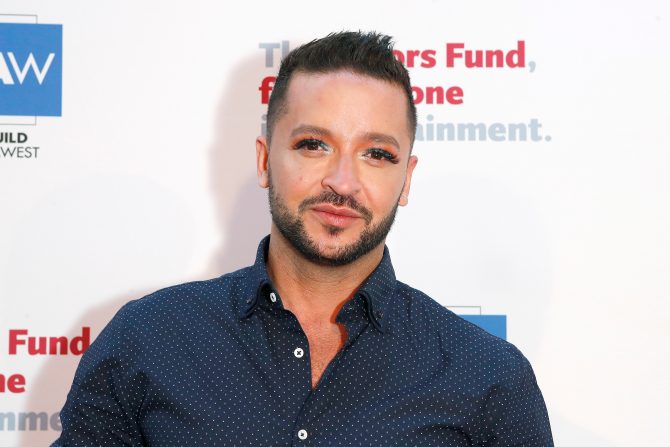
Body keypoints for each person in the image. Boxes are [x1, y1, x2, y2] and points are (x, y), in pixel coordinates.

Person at [52, 31, 553, 446]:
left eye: (377, 154)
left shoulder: (487, 377)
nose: (343, 182)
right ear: (264, 161)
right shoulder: (149, 338)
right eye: (314, 145)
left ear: (406, 179)